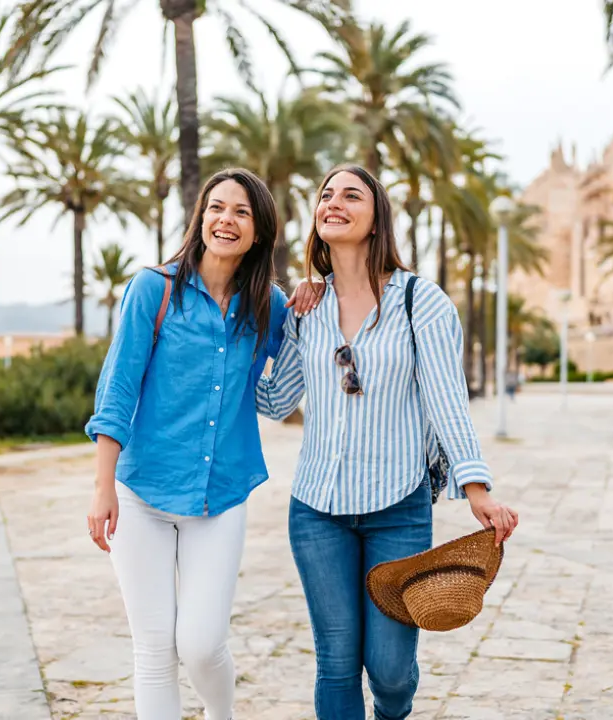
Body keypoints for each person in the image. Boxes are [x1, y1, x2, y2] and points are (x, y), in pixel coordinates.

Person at [256, 165, 520, 720]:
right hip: (317, 510)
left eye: (351, 195)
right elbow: (277, 401)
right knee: (335, 662)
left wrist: (476, 488)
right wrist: (242, 333)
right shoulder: (307, 309)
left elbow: (448, 400)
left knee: (391, 670)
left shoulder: (420, 301)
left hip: (397, 506)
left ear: (377, 219)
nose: (334, 202)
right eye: (326, 195)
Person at [84, 168, 318, 720]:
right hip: (141, 494)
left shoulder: (268, 306)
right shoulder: (153, 289)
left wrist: (310, 305)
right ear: (200, 217)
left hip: (221, 497)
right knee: (153, 649)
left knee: (201, 644)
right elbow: (118, 389)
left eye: (241, 212)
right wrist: (102, 487)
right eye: (216, 207)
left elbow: (285, 386)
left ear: (258, 232)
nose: (225, 220)